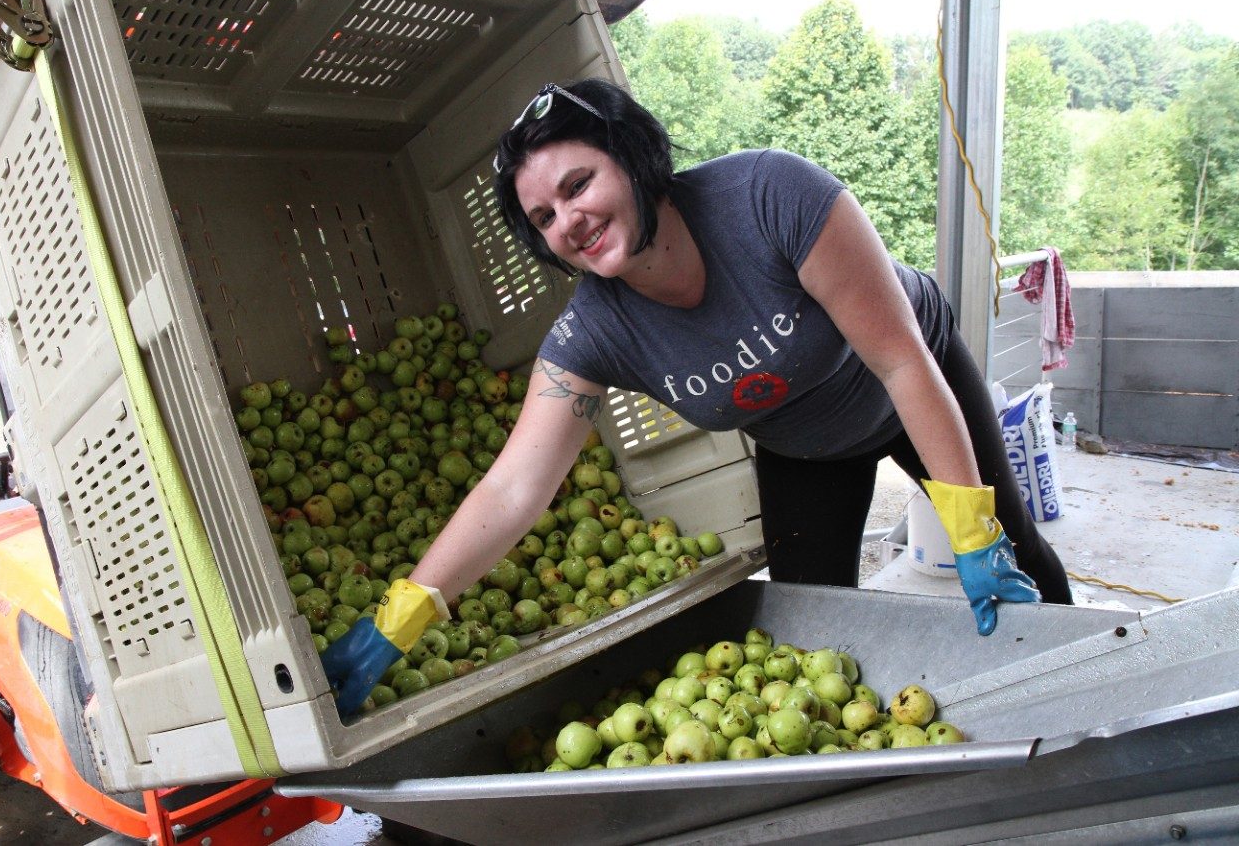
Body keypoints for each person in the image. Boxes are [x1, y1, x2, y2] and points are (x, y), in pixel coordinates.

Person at [322, 78, 1071, 717]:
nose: (569, 222)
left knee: (1017, 553)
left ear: (634, 158)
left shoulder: (771, 196)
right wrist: (405, 612)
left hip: (905, 378)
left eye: (578, 185)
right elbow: (515, 487)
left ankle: (1088, 690)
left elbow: (901, 361)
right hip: (801, 447)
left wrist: (971, 529)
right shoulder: (592, 334)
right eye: (543, 217)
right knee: (809, 633)